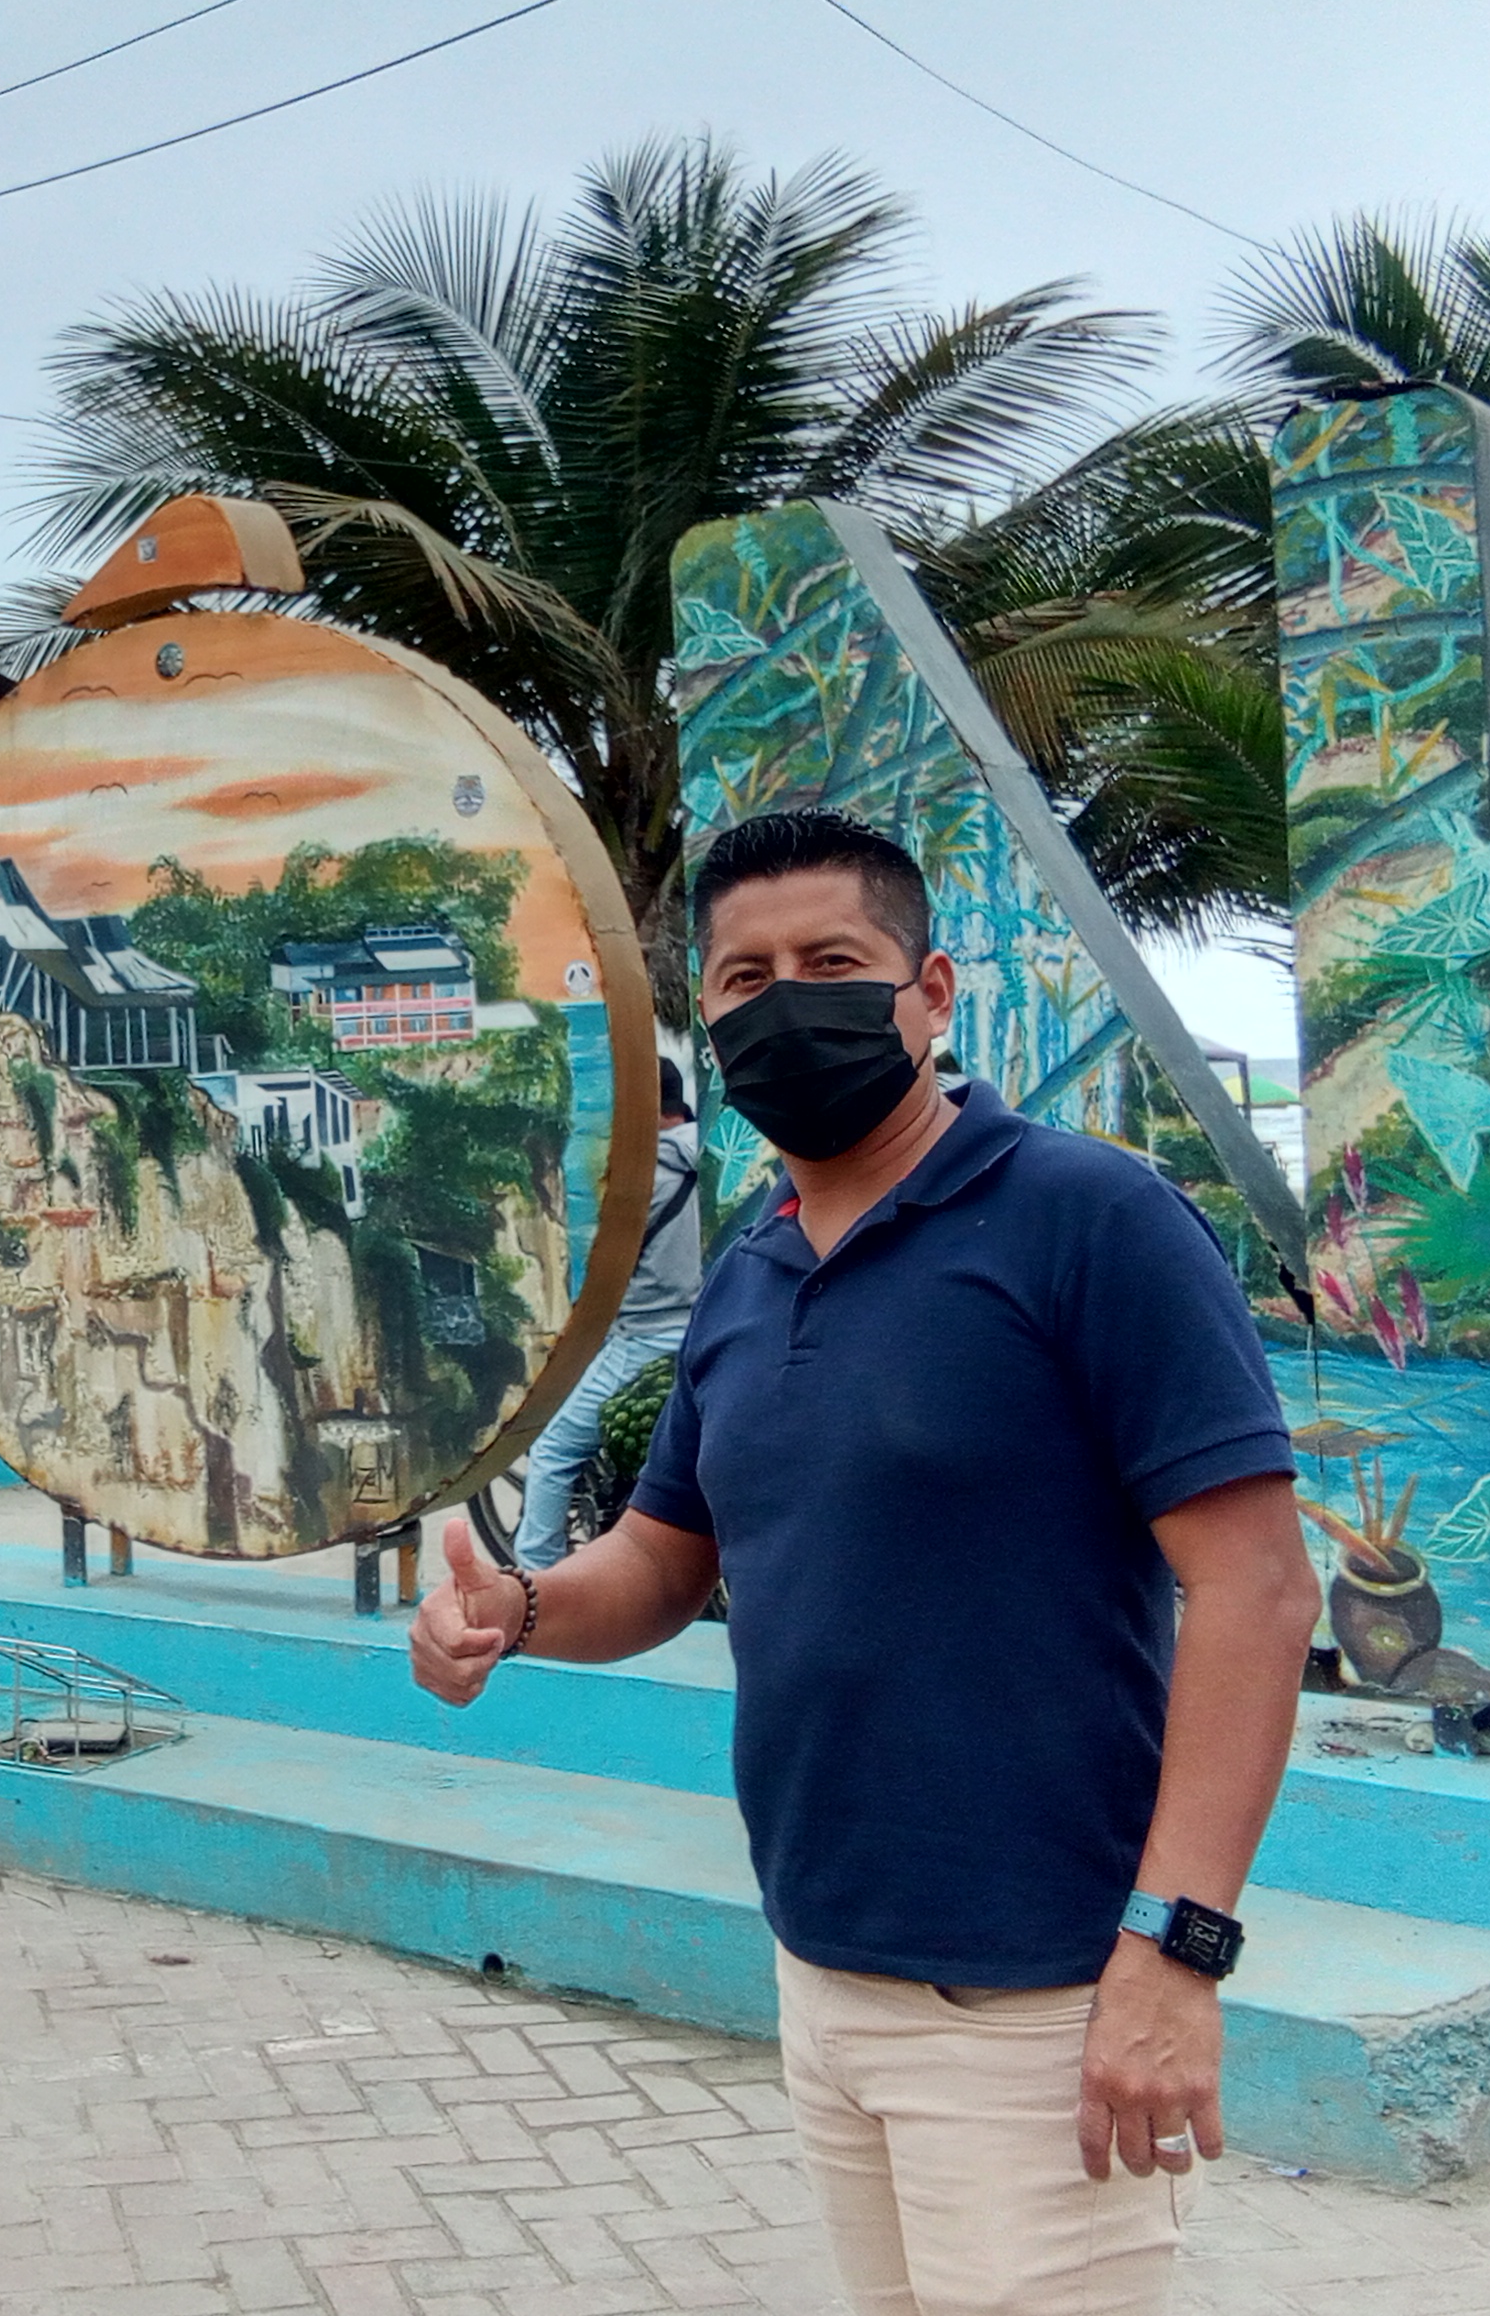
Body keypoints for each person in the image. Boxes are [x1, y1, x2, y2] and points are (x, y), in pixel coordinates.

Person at [412, 808, 1317, 2316]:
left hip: (1037, 1999)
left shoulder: (1091, 1221)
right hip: (820, 1973)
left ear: (931, 992)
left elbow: (1260, 1591)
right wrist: (513, 1611)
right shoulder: (748, 1278)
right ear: (709, 1022)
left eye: (832, 963)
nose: (786, 1002)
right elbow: (664, 1561)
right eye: (744, 978)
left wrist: (1177, 1951)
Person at [513, 1054, 701, 1567]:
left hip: (644, 1338)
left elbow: (591, 1264)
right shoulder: (714, 1162)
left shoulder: (637, 1178)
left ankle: (535, 1576)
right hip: (705, 1333)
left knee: (552, 1450)